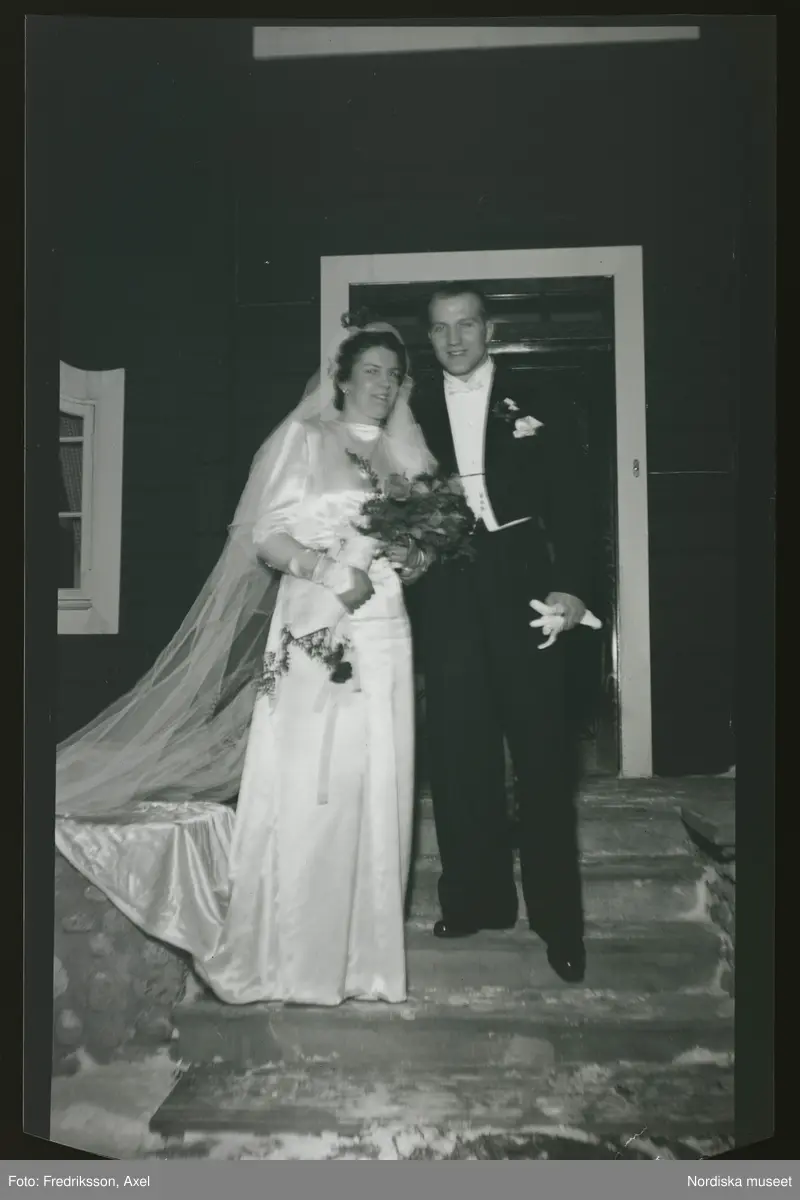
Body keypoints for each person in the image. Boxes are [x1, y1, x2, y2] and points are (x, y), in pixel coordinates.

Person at [55, 319, 435, 1006]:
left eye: (393, 375)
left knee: (376, 777)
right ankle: (296, 955)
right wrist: (328, 571)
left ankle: (364, 962)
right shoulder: (305, 439)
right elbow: (266, 536)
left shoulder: (403, 455)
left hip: (385, 626)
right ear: (343, 378)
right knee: (312, 780)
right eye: (371, 371)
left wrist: (414, 557)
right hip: (316, 618)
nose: (383, 385)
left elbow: (422, 544)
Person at [409, 283, 592, 983]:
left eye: (466, 325)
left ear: (489, 329)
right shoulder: (412, 408)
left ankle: (558, 922)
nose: (454, 339)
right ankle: (475, 899)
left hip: (525, 579)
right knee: (459, 749)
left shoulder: (539, 397)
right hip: (447, 584)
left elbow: (574, 500)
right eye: (440, 328)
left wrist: (573, 585)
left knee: (541, 753)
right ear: (429, 337)